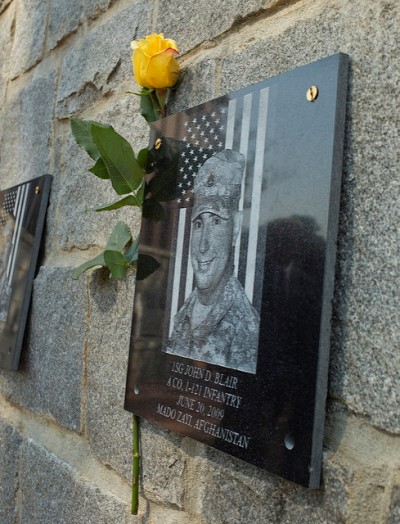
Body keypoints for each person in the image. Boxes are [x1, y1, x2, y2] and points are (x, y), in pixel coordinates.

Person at [165, 150, 259, 373]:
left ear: (235, 228)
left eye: (216, 221)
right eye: (198, 224)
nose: (203, 246)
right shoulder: (183, 315)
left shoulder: (246, 330)